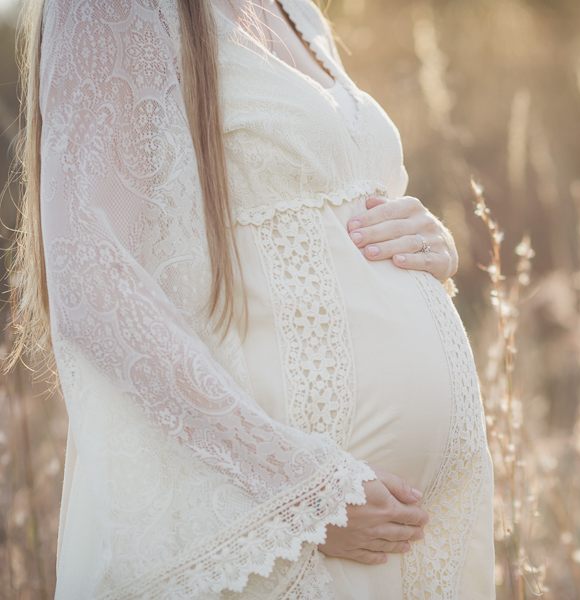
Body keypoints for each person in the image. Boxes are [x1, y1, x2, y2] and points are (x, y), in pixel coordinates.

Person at [9, 0, 495, 597]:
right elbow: (92, 278)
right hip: (276, 536)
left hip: (401, 531)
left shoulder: (295, 10)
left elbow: (324, 200)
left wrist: (426, 241)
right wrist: (298, 491)